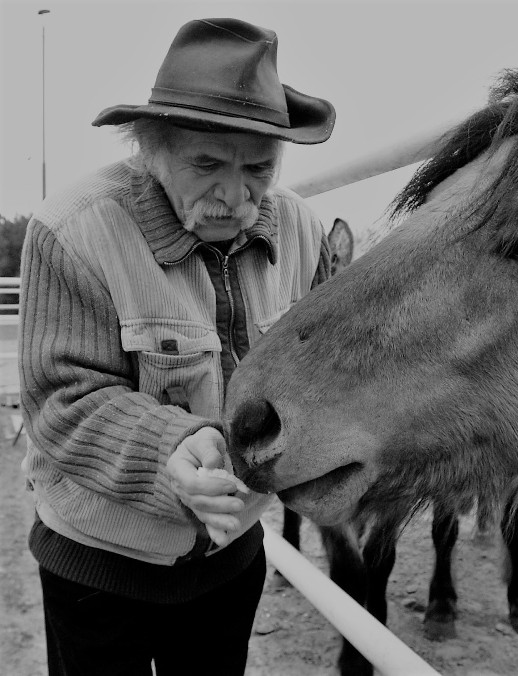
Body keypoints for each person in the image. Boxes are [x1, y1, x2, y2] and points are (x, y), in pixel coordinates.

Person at [17, 18, 335, 676]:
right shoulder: (73, 229)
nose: (235, 194)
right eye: (207, 163)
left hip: (233, 556)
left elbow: (332, 364)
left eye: (259, 167)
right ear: (151, 148)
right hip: (99, 568)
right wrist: (170, 450)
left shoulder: (303, 229)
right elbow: (62, 398)